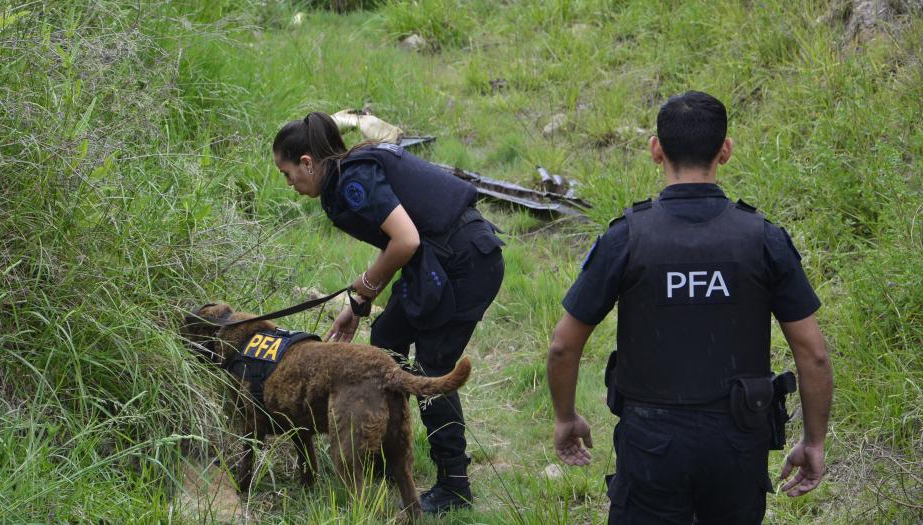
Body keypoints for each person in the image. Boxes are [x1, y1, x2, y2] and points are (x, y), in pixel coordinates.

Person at [546, 91, 833, 524]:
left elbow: (563, 347)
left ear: (656, 150)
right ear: (726, 151)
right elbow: (813, 354)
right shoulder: (763, 239)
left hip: (650, 447)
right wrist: (814, 443)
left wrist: (566, 418)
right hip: (737, 446)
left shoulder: (626, 238)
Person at [272, 112, 505, 513]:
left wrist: (365, 284)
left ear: (307, 162)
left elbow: (405, 240)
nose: (289, 184)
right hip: (437, 261)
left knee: (433, 364)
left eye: (288, 173)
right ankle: (384, 451)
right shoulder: (348, 175)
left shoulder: (354, 180)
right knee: (386, 339)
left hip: (467, 262)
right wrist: (357, 306)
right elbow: (398, 237)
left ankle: (453, 484)